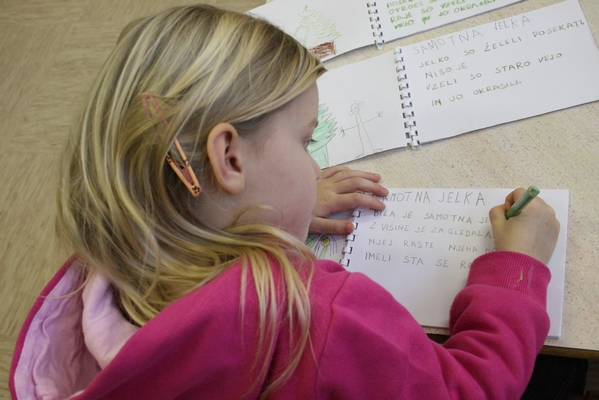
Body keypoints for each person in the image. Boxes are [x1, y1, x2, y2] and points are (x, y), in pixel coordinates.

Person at [10, 5, 560, 399]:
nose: (316, 166)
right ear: (229, 158)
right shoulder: (315, 318)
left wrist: (266, 207)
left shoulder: (104, 269)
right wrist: (516, 271)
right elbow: (467, 389)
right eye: (305, 141)